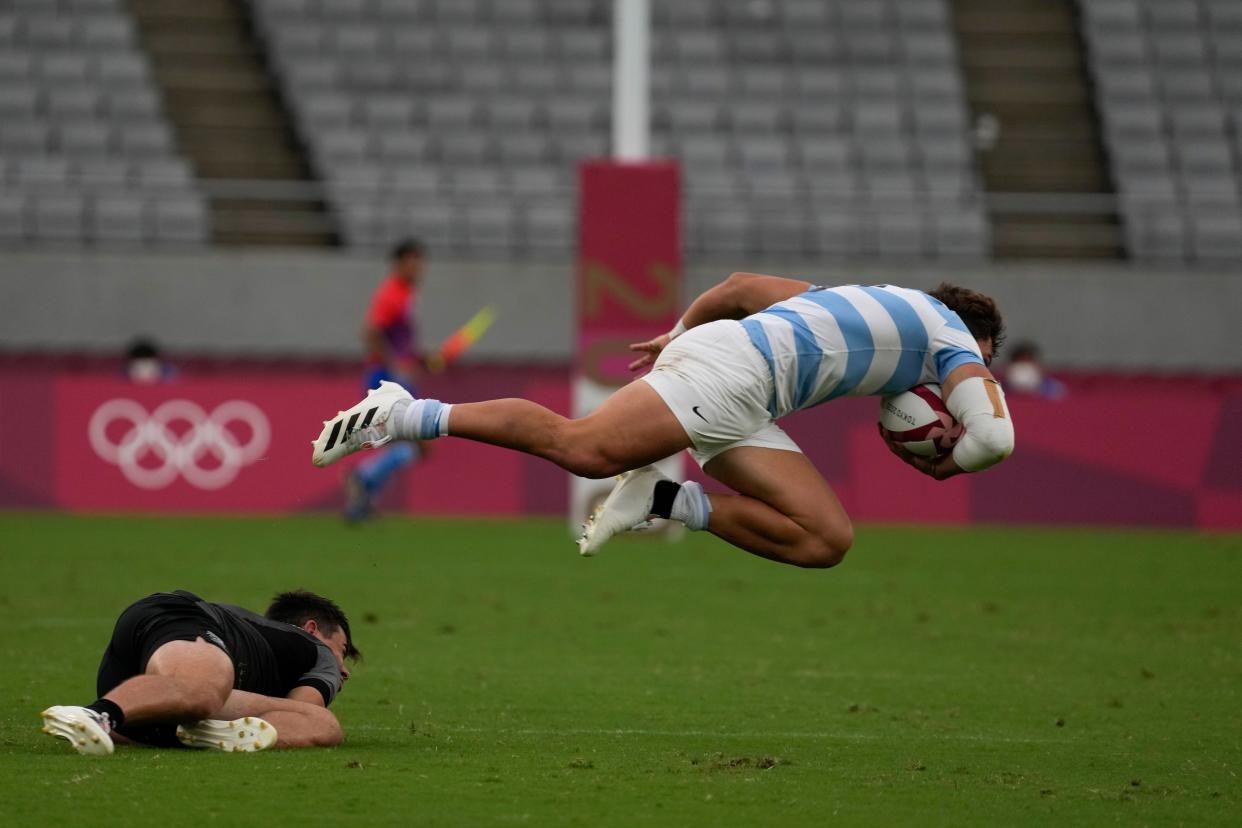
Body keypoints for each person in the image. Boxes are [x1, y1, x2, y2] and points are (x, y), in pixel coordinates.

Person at [312, 274, 1016, 568]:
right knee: (581, 447)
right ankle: (402, 413)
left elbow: (740, 287)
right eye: (977, 366)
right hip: (736, 373)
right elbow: (994, 437)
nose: (962, 382)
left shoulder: (883, 300)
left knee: (826, 539)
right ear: (976, 342)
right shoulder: (951, 340)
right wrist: (951, 461)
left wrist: (674, 333)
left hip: (749, 394)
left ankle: (662, 499)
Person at [40, 589, 359, 755]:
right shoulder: (317, 653)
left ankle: (176, 729)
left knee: (324, 725)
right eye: (342, 650)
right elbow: (306, 710)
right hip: (180, 624)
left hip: (134, 670)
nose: (343, 671)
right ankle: (99, 714)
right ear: (312, 629)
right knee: (320, 722)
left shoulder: (264, 639)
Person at [344, 239, 430, 522]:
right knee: (413, 444)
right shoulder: (392, 294)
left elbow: (398, 340)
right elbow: (370, 332)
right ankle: (364, 477)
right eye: (413, 260)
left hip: (393, 377)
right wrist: (395, 368)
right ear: (399, 263)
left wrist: (418, 359)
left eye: (420, 260)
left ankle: (363, 496)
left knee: (407, 444)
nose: (419, 267)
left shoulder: (405, 294)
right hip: (387, 380)